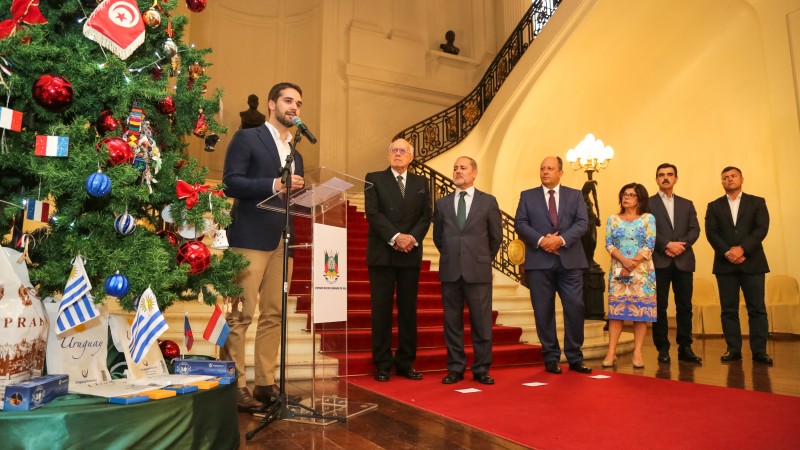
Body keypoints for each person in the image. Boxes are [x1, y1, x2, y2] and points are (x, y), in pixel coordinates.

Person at [221, 82, 306, 411]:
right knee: (241, 314)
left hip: (283, 241)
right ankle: (234, 384)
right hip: (249, 238)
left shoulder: (295, 152)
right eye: (288, 101)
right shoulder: (248, 137)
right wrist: (274, 183)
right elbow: (231, 181)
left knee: (274, 314)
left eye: (298, 103)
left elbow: (291, 198)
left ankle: (265, 384)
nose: (294, 108)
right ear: (272, 104)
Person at [515, 156, 592, 374]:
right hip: (539, 263)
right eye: (542, 168)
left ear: (560, 172)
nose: (545, 171)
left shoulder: (575, 195)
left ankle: (575, 357)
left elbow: (582, 223)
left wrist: (560, 239)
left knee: (575, 308)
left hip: (570, 262)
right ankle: (551, 357)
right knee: (543, 311)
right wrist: (542, 241)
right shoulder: (527, 196)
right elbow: (520, 223)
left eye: (550, 168)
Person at [365, 138, 433, 382]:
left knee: (408, 312)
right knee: (381, 311)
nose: (397, 154)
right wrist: (395, 237)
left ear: (411, 157)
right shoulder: (374, 178)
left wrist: (411, 238)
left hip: (409, 253)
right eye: (393, 150)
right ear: (388, 156)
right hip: (383, 254)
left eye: (402, 151)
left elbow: (426, 216)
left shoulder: (421, 182)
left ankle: (405, 362)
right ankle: (382, 363)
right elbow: (372, 213)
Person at [433, 157, 502, 385]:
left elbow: (496, 238)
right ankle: (455, 368)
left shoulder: (488, 202)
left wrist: (481, 259)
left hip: (478, 270)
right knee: (452, 323)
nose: (458, 171)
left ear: (474, 173)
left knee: (482, 323)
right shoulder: (442, 204)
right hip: (451, 270)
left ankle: (481, 369)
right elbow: (438, 238)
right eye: (455, 168)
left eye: (463, 168)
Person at [705, 166, 772, 365]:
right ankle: (733, 349)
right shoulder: (714, 206)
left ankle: (760, 351)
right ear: (722, 182)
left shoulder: (757, 202)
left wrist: (742, 249)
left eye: (733, 176)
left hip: (753, 263)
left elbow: (761, 228)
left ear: (742, 178)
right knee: (728, 310)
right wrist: (728, 252)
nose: (729, 179)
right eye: (725, 177)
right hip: (725, 265)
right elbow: (712, 233)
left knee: (757, 309)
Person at [648, 163, 702, 365]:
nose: (665, 178)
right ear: (656, 179)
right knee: (659, 307)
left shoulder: (686, 204)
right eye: (661, 175)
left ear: (676, 179)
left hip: (683, 260)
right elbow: (647, 230)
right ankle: (662, 348)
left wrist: (682, 246)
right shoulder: (648, 204)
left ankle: (685, 347)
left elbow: (694, 230)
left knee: (685, 306)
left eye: (669, 175)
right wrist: (665, 245)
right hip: (659, 261)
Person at [602, 183, 657, 368]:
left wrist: (632, 262)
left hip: (642, 272)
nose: (626, 197)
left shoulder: (648, 218)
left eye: (631, 195)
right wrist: (624, 261)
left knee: (640, 313)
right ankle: (611, 352)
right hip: (618, 269)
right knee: (616, 313)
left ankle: (638, 352)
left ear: (639, 198)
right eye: (624, 194)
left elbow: (650, 244)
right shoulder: (613, 219)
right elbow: (609, 244)